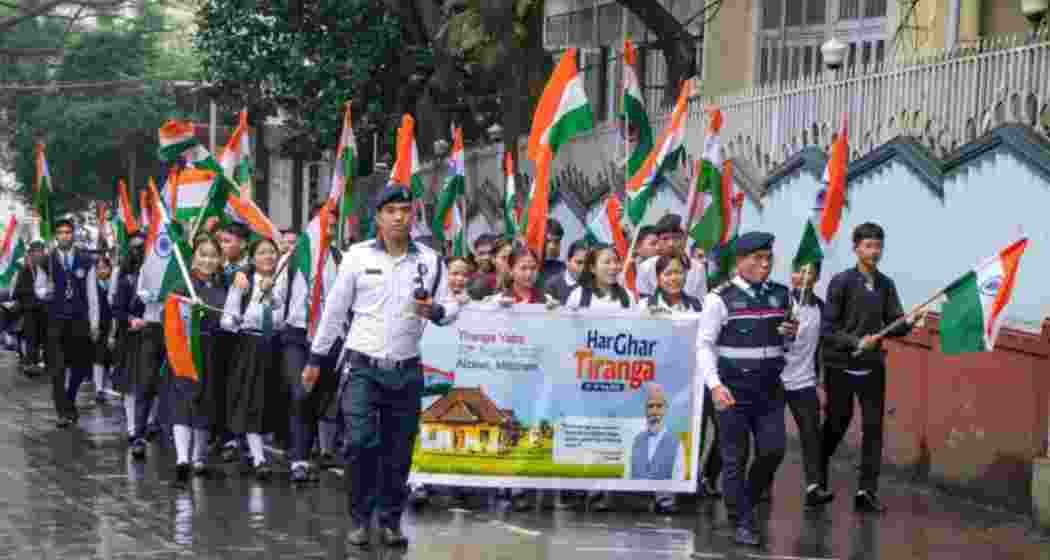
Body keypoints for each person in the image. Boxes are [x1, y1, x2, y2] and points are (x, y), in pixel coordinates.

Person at [303, 183, 460, 548]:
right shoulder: (358, 257)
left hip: (406, 369)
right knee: (359, 442)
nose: (399, 217)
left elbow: (451, 306)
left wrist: (435, 312)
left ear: (413, 215)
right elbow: (334, 311)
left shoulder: (429, 260)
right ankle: (360, 518)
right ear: (378, 217)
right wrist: (315, 358)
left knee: (398, 449)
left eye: (405, 210)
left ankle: (390, 520)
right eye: (391, 211)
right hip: (362, 367)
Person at [695, 231, 796, 546]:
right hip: (732, 388)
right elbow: (704, 345)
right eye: (757, 259)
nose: (765, 264)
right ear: (740, 262)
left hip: (769, 388)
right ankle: (742, 521)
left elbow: (786, 342)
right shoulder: (719, 298)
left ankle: (744, 503)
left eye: (768, 258)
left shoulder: (782, 295)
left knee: (773, 450)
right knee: (734, 457)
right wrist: (714, 385)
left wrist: (790, 334)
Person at [820, 222, 921, 513]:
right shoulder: (841, 282)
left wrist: (909, 323)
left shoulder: (886, 285)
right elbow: (828, 329)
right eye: (868, 246)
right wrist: (854, 341)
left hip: (873, 367)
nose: (874, 251)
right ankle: (817, 478)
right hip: (840, 366)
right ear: (856, 248)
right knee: (837, 423)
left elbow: (895, 325)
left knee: (873, 428)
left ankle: (866, 491)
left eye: (878, 246)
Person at [644, 255, 723, 500]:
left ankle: (689, 481)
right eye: (667, 273)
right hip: (658, 383)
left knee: (692, 434)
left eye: (678, 272)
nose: (673, 278)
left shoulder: (698, 307)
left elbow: (709, 342)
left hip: (693, 383)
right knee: (662, 433)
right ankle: (662, 495)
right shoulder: (644, 306)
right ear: (658, 277)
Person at [273, 205, 340, 485]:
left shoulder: (340, 259)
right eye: (325, 224)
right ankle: (299, 458)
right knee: (300, 391)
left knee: (318, 398)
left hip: (327, 339)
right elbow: (277, 298)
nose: (329, 231)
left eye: (333, 226)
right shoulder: (292, 258)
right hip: (296, 334)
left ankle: (306, 449)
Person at [222, 237, 285, 481]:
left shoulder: (280, 282)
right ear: (253, 257)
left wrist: (272, 292)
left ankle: (256, 448)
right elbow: (227, 319)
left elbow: (281, 313)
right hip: (250, 346)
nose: (268, 257)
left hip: (274, 345)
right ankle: (259, 458)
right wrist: (236, 321)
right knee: (252, 401)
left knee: (269, 400)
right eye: (262, 252)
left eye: (272, 252)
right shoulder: (243, 283)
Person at [169, 236, 228, 483]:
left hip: (212, 350)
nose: (207, 260)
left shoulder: (222, 288)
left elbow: (227, 318)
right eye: (203, 255)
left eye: (213, 255)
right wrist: (188, 307)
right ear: (194, 258)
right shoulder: (182, 284)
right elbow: (169, 315)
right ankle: (182, 458)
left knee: (206, 402)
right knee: (184, 401)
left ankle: (198, 457)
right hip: (185, 351)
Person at [776, 260, 835, 508]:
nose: (803, 276)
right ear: (792, 274)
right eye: (799, 271)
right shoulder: (781, 303)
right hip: (775, 380)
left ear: (817, 278)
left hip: (805, 382)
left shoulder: (821, 309)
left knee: (811, 435)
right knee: (772, 439)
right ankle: (763, 485)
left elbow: (821, 348)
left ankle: (814, 487)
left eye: (809, 272)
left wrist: (820, 384)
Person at [38, 218, 100, 428]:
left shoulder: (85, 260)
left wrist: (94, 323)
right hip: (56, 321)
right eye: (61, 232)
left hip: (79, 320)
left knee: (81, 367)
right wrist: (45, 291)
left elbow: (92, 294)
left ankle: (70, 399)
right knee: (57, 368)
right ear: (56, 235)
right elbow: (39, 289)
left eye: (68, 232)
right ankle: (62, 412)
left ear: (72, 234)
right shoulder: (47, 261)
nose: (65, 236)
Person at [626, 383, 686, 487]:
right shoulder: (636, 440)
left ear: (666, 409)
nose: (654, 411)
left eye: (659, 406)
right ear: (645, 410)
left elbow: (678, 480)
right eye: (650, 406)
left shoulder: (676, 443)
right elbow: (628, 476)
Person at [14, 241, 48, 373]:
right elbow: (18, 291)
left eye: (41, 252)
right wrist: (33, 292)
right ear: (31, 254)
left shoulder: (45, 269)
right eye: (36, 252)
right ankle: (29, 362)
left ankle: (44, 361)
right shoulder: (25, 270)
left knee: (45, 337)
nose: (39, 255)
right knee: (31, 337)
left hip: (44, 309)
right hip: (30, 310)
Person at [92, 256, 115, 404]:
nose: (102, 271)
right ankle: (99, 389)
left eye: (104, 267)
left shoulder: (114, 284)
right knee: (98, 358)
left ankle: (111, 386)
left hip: (113, 326)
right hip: (98, 326)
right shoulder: (93, 286)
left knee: (112, 358)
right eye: (98, 268)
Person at [544, 239, 588, 304]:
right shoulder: (552, 284)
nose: (583, 267)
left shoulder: (591, 285)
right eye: (579, 262)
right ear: (567, 262)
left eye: (587, 263)